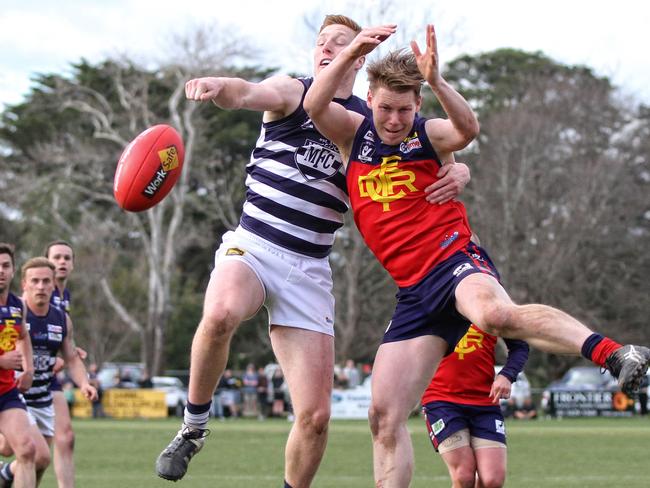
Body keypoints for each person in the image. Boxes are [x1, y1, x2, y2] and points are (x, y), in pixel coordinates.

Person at [303, 23, 650, 486]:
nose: (392, 120)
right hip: (413, 294)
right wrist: (353, 53)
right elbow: (313, 104)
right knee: (383, 418)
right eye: (385, 108)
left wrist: (439, 80)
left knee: (493, 316)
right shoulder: (353, 135)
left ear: (418, 105)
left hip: (455, 262)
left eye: (404, 110)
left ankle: (615, 352)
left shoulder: (427, 136)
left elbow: (466, 128)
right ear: (369, 99)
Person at [155, 14, 472, 487]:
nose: (327, 48)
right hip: (256, 246)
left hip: (309, 269)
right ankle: (193, 428)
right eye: (322, 42)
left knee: (315, 417)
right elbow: (243, 93)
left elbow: (435, 149)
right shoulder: (292, 92)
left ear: (359, 55)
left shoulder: (374, 123)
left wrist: (460, 171)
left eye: (340, 43)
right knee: (221, 312)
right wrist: (217, 83)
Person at [0, 257, 97, 487]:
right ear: (24, 284)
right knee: (26, 451)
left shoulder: (61, 319)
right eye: (35, 281)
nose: (41, 287)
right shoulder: (14, 311)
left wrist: (84, 383)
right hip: (16, 394)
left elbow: (71, 357)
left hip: (42, 397)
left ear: (54, 285)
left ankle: (5, 475)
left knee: (39, 459)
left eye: (46, 282)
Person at [422, 324, 529, 488]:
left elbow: (520, 346)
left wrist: (507, 375)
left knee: (492, 480)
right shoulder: (437, 305)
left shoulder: (489, 310)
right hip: (442, 400)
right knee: (463, 476)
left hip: (485, 404)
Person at [0, 243, 39, 488]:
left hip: (5, 392)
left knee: (26, 450)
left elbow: (23, 336)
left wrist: (29, 369)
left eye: (5, 265)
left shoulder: (17, 305)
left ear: (14, 271)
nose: (0, 270)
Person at [44, 240, 81, 488]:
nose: (62, 262)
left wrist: (70, 351)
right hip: (21, 377)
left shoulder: (63, 296)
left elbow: (61, 336)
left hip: (49, 379)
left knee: (66, 437)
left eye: (67, 258)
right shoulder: (37, 294)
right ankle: (8, 472)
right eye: (57, 257)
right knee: (12, 448)